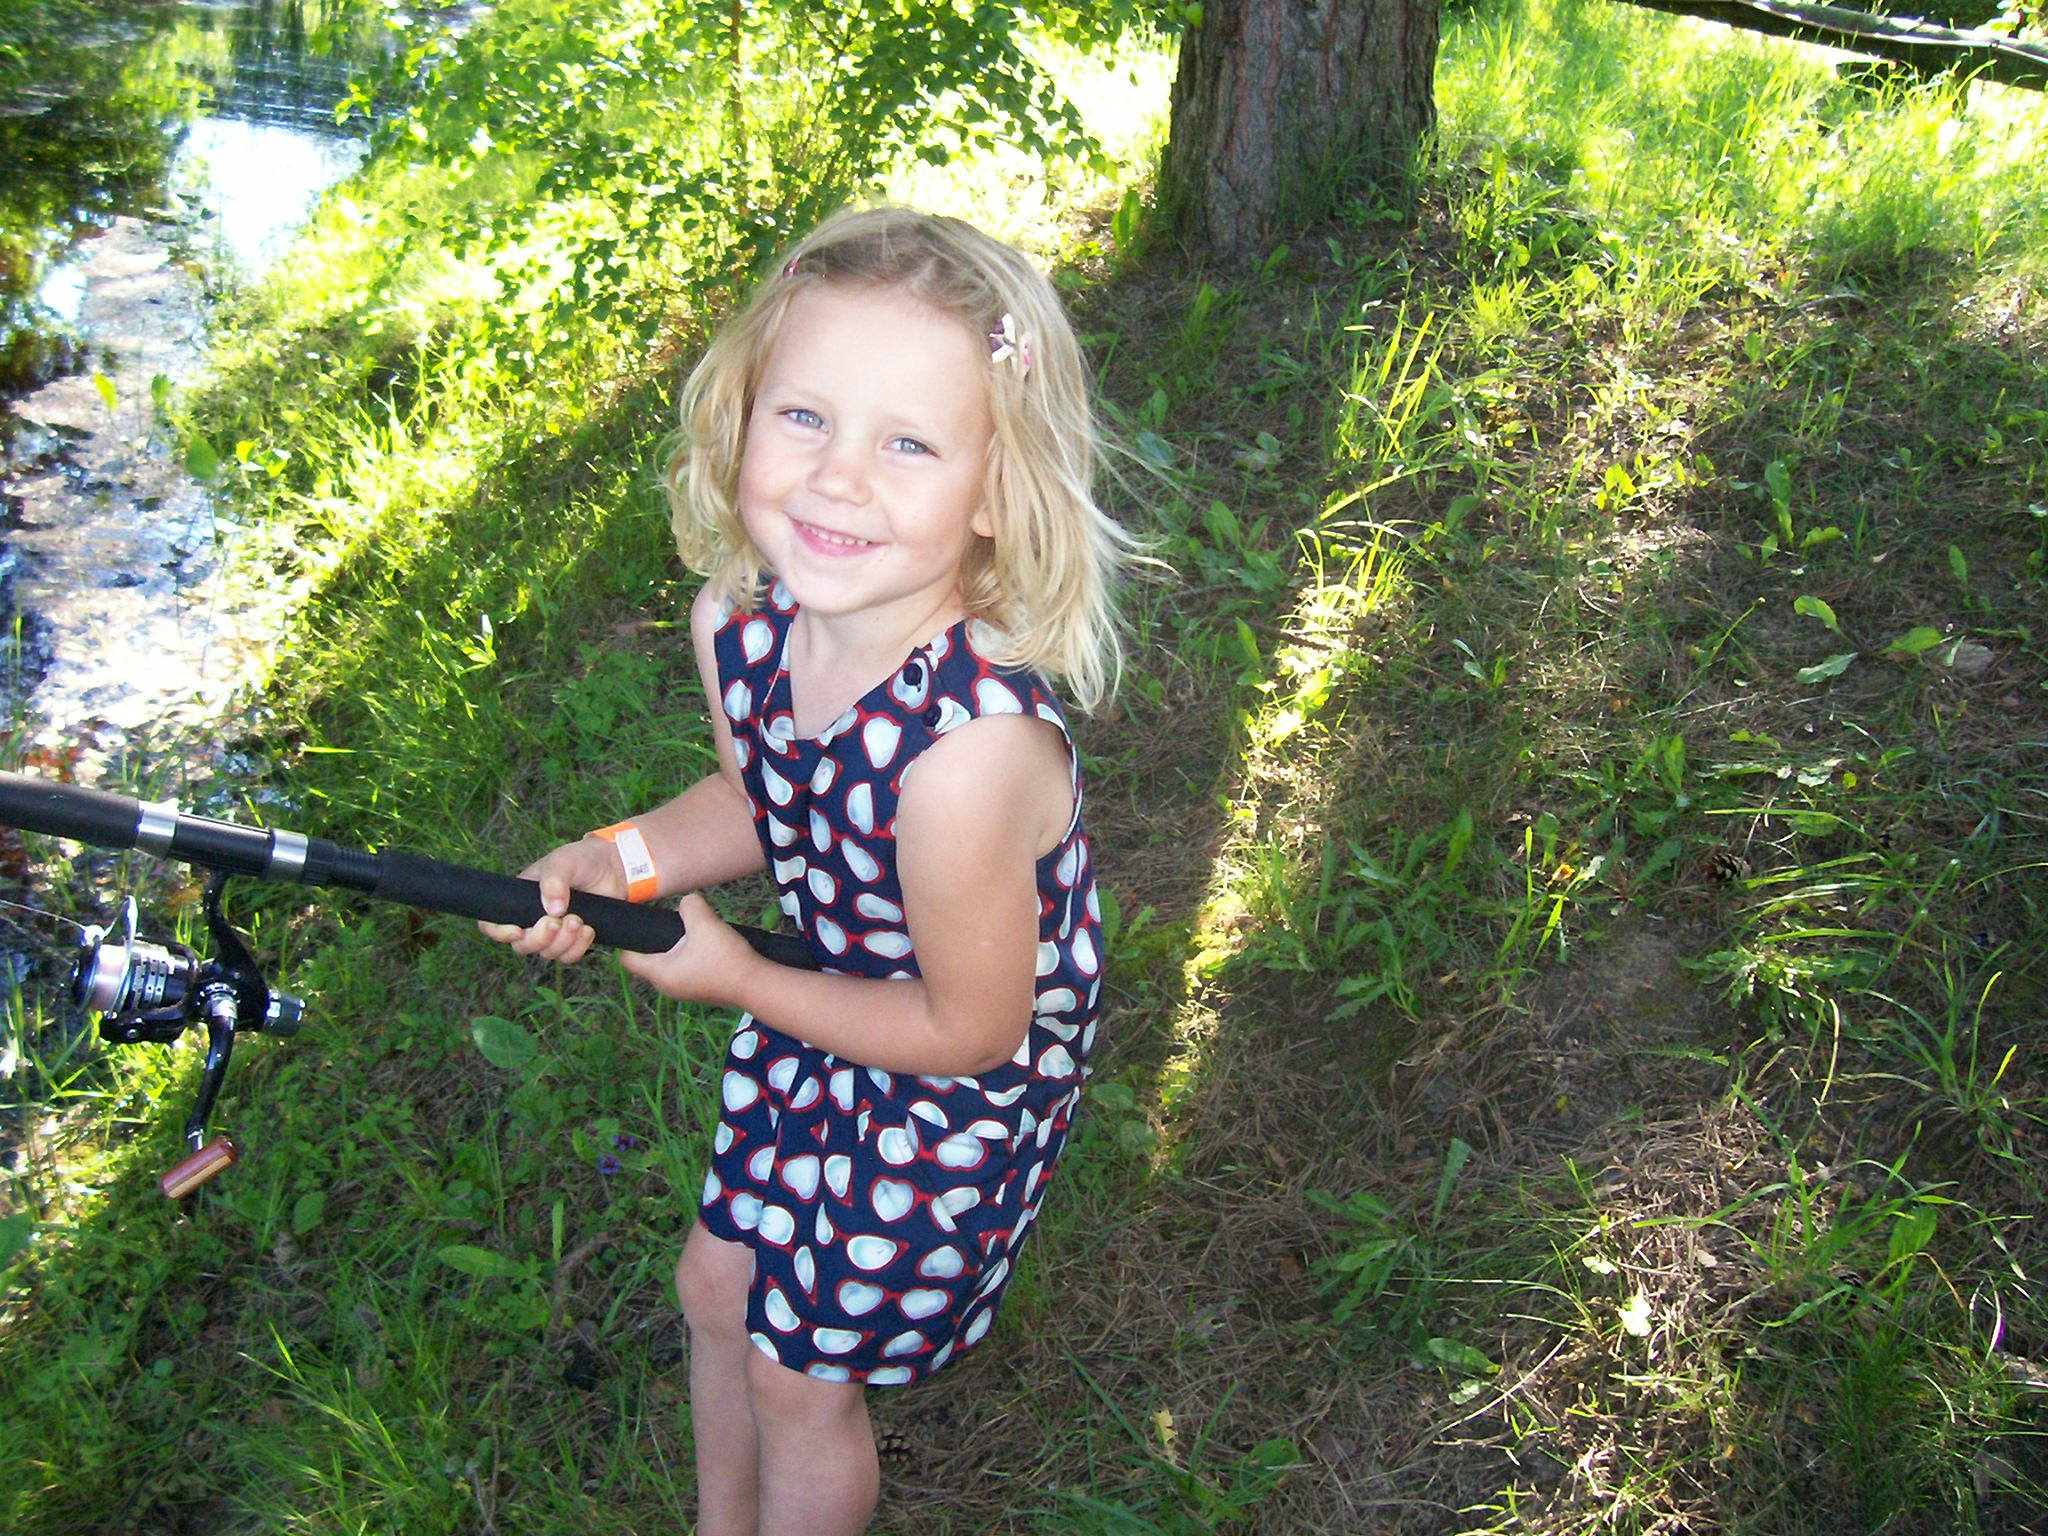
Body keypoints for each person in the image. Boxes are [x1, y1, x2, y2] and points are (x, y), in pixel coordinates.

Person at [480, 205, 1130, 1536]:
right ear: (740, 420)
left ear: (996, 490)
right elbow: (761, 803)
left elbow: (969, 1027)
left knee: (797, 1380)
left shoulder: (969, 757)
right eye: (804, 418)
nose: (839, 479)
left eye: (908, 442)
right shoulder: (747, 624)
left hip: (953, 1097)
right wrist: (620, 860)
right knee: (713, 1294)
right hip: (823, 1006)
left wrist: (731, 979)